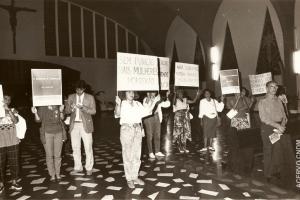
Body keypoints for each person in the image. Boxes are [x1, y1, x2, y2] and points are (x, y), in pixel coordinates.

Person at [114, 91, 148, 189]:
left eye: (133, 92)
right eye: (129, 92)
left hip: (137, 129)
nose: (131, 94)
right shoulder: (122, 103)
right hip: (126, 129)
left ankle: (135, 176)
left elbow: (146, 113)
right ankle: (129, 179)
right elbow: (117, 114)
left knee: (137, 155)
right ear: (125, 93)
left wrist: (153, 102)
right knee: (127, 155)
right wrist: (118, 104)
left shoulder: (138, 103)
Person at [258, 81, 288, 181]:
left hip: (279, 127)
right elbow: (264, 118)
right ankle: (268, 174)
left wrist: (282, 126)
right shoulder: (262, 102)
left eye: (276, 87)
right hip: (268, 128)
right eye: (272, 86)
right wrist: (278, 126)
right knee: (268, 150)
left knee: (277, 150)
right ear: (267, 88)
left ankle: (276, 171)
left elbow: (284, 115)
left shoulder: (278, 101)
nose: (274, 88)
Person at [65, 80, 96, 175]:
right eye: (77, 90)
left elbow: (94, 111)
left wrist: (83, 108)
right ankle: (78, 167)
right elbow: (66, 111)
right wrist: (72, 108)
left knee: (88, 147)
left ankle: (89, 167)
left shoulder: (90, 97)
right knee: (75, 147)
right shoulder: (71, 97)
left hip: (85, 124)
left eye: (80, 90)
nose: (78, 92)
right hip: (74, 124)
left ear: (84, 89)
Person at [31, 105, 66, 181]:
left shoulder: (58, 105)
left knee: (58, 155)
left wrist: (61, 111)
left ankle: (58, 173)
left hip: (58, 132)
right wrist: (35, 113)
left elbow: (62, 118)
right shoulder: (42, 107)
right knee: (49, 155)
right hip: (47, 132)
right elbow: (38, 120)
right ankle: (52, 174)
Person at [0, 94, 22, 193]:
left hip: (13, 140)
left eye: (9, 99)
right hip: (0, 142)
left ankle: (14, 182)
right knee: (0, 164)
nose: (7, 100)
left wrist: (8, 110)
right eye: (5, 98)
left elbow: (16, 121)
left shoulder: (13, 110)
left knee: (14, 163)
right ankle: (1, 184)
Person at [143, 91, 170, 159]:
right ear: (148, 93)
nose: (154, 94)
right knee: (150, 136)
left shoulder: (157, 99)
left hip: (157, 117)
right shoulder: (146, 99)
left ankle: (157, 151)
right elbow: (147, 108)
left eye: (154, 92)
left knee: (157, 135)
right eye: (152, 92)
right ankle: (150, 152)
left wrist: (167, 96)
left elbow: (167, 104)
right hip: (148, 118)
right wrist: (152, 99)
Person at [173, 89, 200, 153]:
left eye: (181, 93)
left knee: (185, 132)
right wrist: (174, 94)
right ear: (177, 94)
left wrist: (197, 95)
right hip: (178, 117)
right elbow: (173, 102)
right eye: (179, 93)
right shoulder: (176, 100)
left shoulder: (185, 100)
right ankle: (180, 147)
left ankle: (184, 147)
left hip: (185, 116)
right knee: (179, 132)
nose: (180, 94)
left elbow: (193, 101)